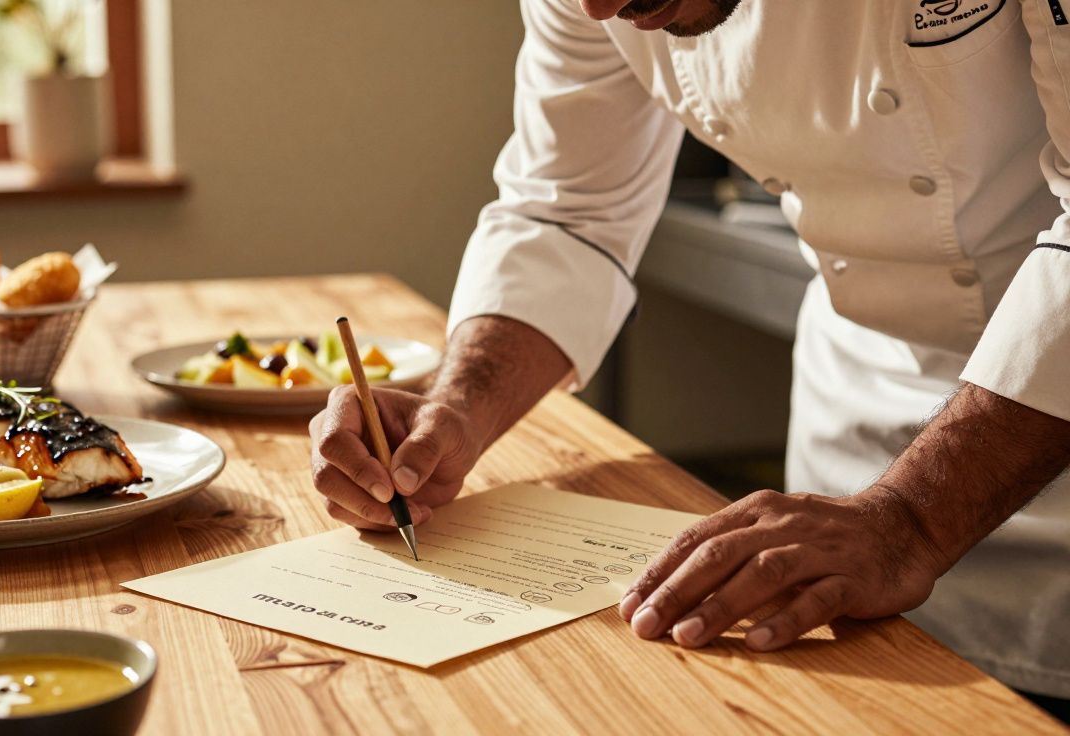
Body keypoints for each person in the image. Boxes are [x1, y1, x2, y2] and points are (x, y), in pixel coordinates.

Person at [308, 0, 1070, 712]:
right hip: (851, 443)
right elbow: (568, 207)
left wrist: (912, 516)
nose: (601, 9)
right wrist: (455, 409)